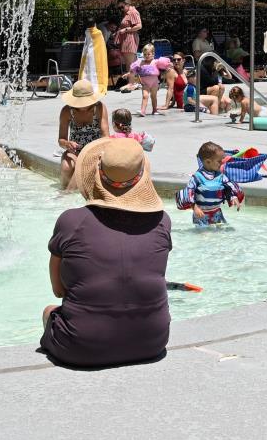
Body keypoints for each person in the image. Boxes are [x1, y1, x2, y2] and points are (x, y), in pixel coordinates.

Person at [41, 137, 171, 369]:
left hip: (80, 348)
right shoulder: (161, 222)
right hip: (152, 342)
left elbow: (59, 290)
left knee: (49, 311)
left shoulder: (71, 221)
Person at [178, 142, 245, 228]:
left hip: (216, 213)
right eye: (219, 161)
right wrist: (195, 207)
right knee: (205, 236)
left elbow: (228, 187)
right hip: (201, 214)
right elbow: (188, 193)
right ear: (208, 162)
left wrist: (233, 197)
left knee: (220, 234)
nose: (222, 163)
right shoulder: (197, 177)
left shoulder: (221, 176)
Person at [56, 79, 107, 192]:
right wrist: (67, 144)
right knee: (66, 167)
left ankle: (67, 194)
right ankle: (65, 190)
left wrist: (94, 153)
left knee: (82, 167)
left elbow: (105, 136)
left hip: (95, 150)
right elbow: (61, 139)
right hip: (75, 151)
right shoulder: (66, 111)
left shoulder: (99, 108)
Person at [112, 0, 143, 88]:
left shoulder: (133, 12)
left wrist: (125, 29)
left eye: (122, 7)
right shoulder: (126, 13)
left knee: (130, 63)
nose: (120, 9)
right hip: (126, 39)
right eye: (119, 8)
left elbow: (139, 26)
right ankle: (132, 82)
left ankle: (131, 83)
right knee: (130, 63)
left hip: (130, 39)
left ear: (127, 4)